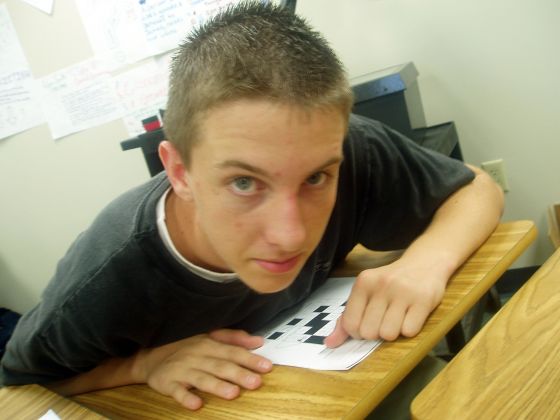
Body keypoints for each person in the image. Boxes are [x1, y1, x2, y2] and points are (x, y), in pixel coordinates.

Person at [0, 0, 503, 412]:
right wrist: (141, 366)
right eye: (244, 182)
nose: (290, 235)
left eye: (315, 179)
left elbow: (477, 188)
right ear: (179, 172)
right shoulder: (108, 274)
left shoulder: (345, 149)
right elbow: (19, 383)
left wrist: (425, 262)